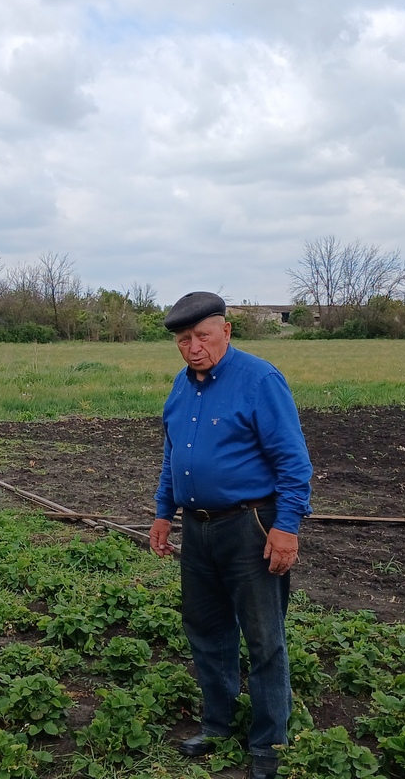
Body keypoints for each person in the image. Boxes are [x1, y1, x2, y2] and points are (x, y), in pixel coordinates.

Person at [148, 291, 312, 779]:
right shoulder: (181, 385)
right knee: (206, 630)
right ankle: (217, 725)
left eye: (202, 336)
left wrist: (286, 528)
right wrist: (163, 512)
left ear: (226, 331)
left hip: (250, 525)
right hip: (197, 528)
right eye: (183, 340)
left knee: (264, 639)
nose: (193, 347)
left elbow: (293, 461)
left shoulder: (259, 379)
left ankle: (269, 744)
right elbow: (172, 454)